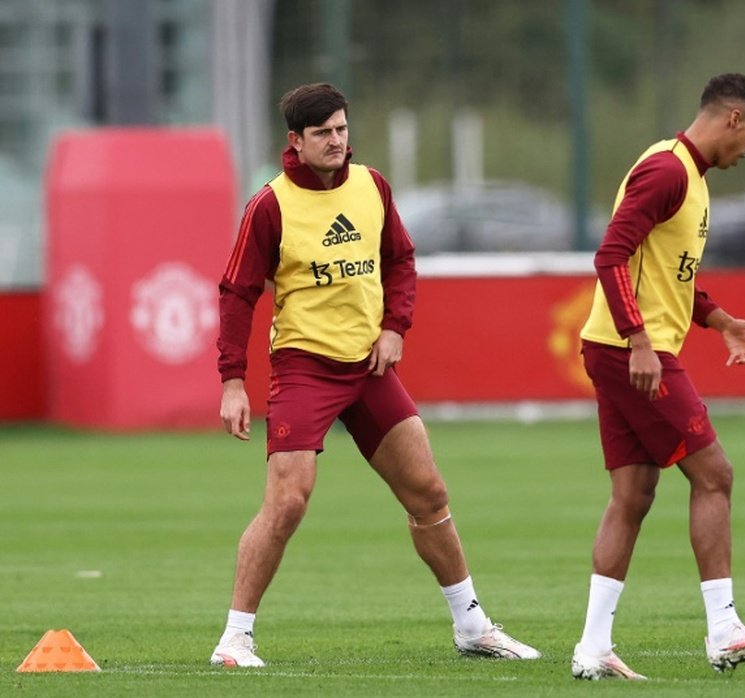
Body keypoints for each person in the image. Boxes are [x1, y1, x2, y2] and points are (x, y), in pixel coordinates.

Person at [210, 82, 540, 667]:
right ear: (296, 141)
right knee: (288, 501)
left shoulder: (372, 185)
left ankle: (472, 627)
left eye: (341, 129)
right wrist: (232, 380)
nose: (337, 141)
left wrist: (395, 327)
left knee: (428, 492)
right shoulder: (270, 205)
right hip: (304, 367)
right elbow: (237, 293)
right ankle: (234, 638)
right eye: (323, 134)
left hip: (368, 367)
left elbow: (401, 259)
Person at [570, 73, 745, 680]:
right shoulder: (668, 171)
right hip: (631, 352)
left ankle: (592, 647)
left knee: (633, 495)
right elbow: (610, 254)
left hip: (618, 348)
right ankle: (723, 629)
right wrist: (639, 341)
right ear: (730, 118)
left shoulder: (688, 177)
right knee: (715, 474)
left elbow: (670, 274)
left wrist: (720, 320)